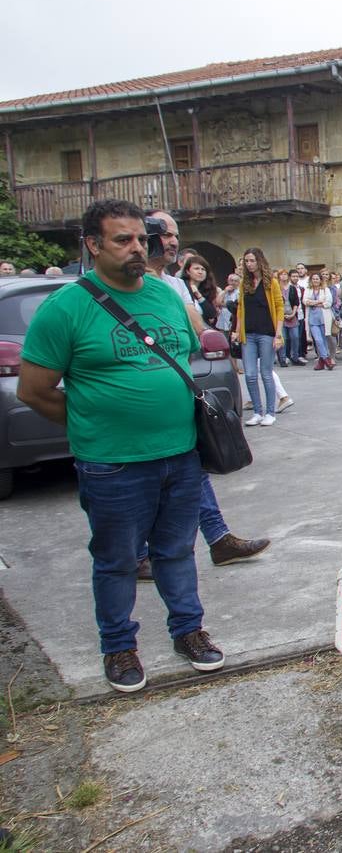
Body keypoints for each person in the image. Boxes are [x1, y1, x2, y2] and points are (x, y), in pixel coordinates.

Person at [16, 199, 226, 692]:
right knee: (116, 561)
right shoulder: (65, 309)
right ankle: (119, 646)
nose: (138, 249)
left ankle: (189, 632)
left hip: (181, 454)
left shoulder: (164, 295)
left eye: (141, 240)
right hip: (112, 465)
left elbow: (193, 348)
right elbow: (34, 390)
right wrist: (93, 425)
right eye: (123, 240)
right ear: (92, 245)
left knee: (176, 552)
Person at [140, 212, 270, 573]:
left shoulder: (173, 285)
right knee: (143, 481)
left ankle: (218, 539)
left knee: (190, 468)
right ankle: (137, 554)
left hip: (177, 394)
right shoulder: (123, 287)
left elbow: (197, 327)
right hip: (135, 408)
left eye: (175, 235)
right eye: (165, 234)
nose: (172, 241)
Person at [235, 247, 285, 426]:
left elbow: (279, 307)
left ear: (259, 262)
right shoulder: (244, 284)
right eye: (246, 261)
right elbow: (241, 308)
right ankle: (257, 411)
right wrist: (237, 330)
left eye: (252, 261)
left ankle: (270, 412)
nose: (249, 264)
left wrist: (278, 334)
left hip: (267, 333)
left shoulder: (271, 282)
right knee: (249, 374)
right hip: (248, 334)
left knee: (266, 373)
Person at [303, 273, 335, 370]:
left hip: (323, 318)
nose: (315, 280)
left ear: (320, 280)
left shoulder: (325, 290)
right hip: (312, 319)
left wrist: (314, 302)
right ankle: (326, 359)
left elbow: (328, 303)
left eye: (317, 279)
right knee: (317, 340)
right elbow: (305, 301)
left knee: (323, 340)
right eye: (313, 279)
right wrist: (318, 302)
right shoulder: (308, 290)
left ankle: (321, 362)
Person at [182, 252, 221, 327]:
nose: (200, 272)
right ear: (188, 271)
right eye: (196, 268)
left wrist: (198, 295)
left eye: (203, 269)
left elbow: (211, 314)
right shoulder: (181, 286)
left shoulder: (207, 289)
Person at [281, 269, 306, 367]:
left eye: (285, 274)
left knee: (295, 337)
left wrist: (293, 314)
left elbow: (296, 302)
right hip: (281, 317)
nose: (283, 276)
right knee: (283, 338)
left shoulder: (292, 288)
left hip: (292, 316)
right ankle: (283, 358)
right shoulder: (277, 287)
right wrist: (281, 314)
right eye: (282, 274)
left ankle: (295, 357)